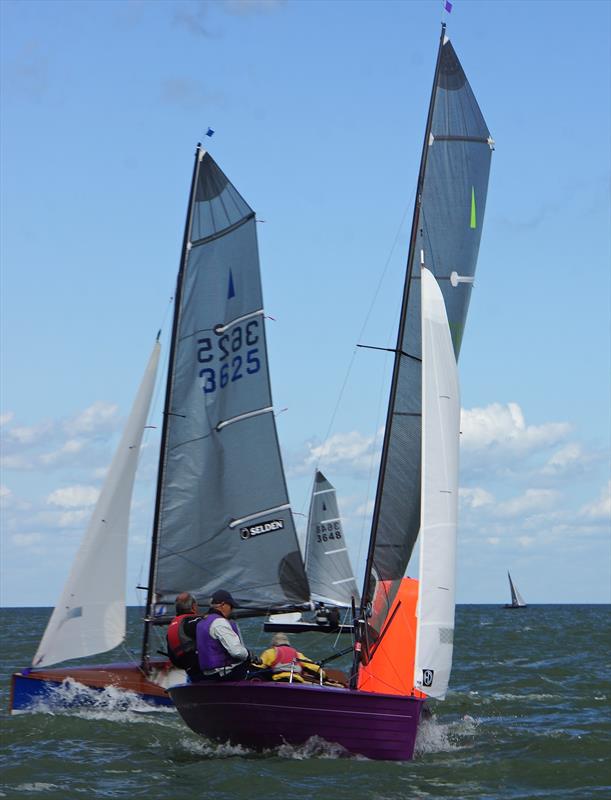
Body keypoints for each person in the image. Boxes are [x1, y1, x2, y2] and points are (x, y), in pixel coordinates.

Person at [196, 589, 252, 681]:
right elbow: (237, 652)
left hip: (207, 674)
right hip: (223, 674)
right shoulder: (219, 622)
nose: (232, 609)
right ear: (223, 605)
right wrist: (250, 655)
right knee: (256, 671)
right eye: (231, 606)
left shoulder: (201, 622)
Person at [257, 632, 325, 683]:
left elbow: (257, 667)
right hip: (296, 682)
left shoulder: (270, 652)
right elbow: (317, 669)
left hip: (279, 681)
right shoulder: (298, 654)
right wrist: (325, 678)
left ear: (273, 644)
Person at [166, 592, 204, 681]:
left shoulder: (173, 626)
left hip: (188, 670)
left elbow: (172, 655)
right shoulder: (196, 622)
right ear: (194, 606)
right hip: (204, 671)